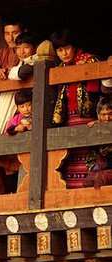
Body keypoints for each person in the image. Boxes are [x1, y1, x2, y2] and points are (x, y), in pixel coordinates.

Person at [50, 29, 101, 189]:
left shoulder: (90, 61)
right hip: (69, 119)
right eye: (59, 50)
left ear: (74, 46)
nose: (64, 53)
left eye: (67, 48)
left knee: (90, 156)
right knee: (71, 156)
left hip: (89, 118)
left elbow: (101, 91)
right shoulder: (59, 69)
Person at [84, 96, 112, 188]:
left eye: (110, 114)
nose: (107, 118)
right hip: (101, 167)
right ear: (98, 115)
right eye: (103, 115)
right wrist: (94, 168)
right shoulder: (96, 129)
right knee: (89, 180)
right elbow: (90, 157)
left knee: (102, 177)